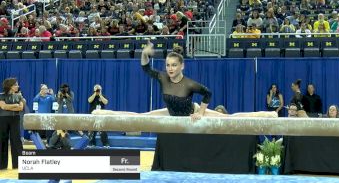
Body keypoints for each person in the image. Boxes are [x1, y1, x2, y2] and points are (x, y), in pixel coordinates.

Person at [92, 43, 277, 118]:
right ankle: (102, 114)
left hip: (192, 112)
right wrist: (144, 54)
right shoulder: (163, 77)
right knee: (141, 117)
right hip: (171, 113)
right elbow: (146, 68)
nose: (170, 69)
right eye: (167, 65)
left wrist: (200, 113)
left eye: (174, 65)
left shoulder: (189, 83)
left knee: (228, 119)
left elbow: (207, 93)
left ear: (182, 66)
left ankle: (267, 115)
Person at [0, 78, 24, 169]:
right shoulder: (1, 95)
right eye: (16, 85)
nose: (18, 86)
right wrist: (15, 105)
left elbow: (21, 108)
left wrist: (8, 107)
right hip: (3, 119)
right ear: (10, 86)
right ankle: (2, 165)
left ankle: (18, 165)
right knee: (2, 141)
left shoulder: (19, 96)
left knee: (16, 141)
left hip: (15, 119)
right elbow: (3, 106)